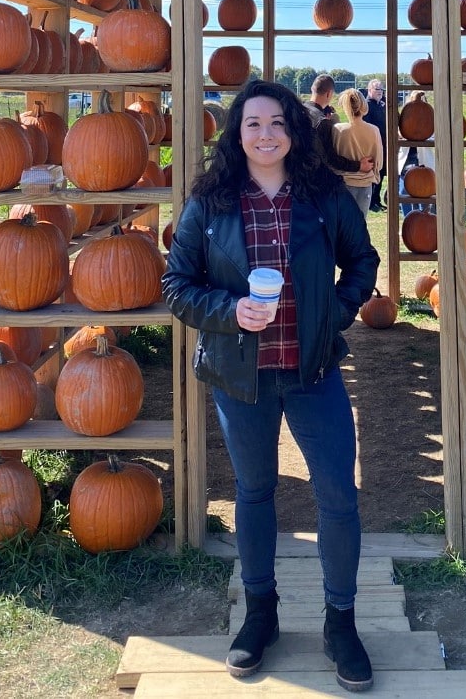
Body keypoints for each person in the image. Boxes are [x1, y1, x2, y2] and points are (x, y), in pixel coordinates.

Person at [162, 79, 380, 693]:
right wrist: (231, 311)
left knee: (338, 493)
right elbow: (177, 286)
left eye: (277, 123)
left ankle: (341, 621)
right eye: (252, 123)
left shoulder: (323, 196)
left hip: (312, 371)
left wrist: (334, 313)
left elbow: (364, 263)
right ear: (237, 133)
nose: (265, 134)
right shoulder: (211, 202)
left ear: (295, 131)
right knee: (254, 493)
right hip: (241, 377)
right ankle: (261, 615)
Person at [304, 74, 374, 177]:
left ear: (312, 89)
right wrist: (359, 166)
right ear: (329, 94)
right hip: (314, 178)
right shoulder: (322, 122)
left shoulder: (296, 111)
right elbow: (331, 159)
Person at [332, 88, 384, 218]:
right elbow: (379, 162)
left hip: (341, 184)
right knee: (360, 226)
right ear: (363, 106)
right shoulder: (373, 130)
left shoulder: (337, 129)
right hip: (365, 184)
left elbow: (332, 159)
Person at [398, 90, 436, 217]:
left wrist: (424, 137)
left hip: (424, 161)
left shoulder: (430, 118)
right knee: (404, 191)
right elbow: (399, 132)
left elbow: (435, 136)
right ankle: (409, 220)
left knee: (425, 192)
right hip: (407, 160)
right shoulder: (406, 115)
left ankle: (425, 218)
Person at [362, 78, 387, 211]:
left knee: (381, 174)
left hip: (383, 145)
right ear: (369, 90)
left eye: (382, 89)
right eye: (377, 89)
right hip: (372, 145)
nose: (380, 92)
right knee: (373, 174)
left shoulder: (382, 105)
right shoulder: (366, 106)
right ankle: (371, 201)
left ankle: (376, 200)